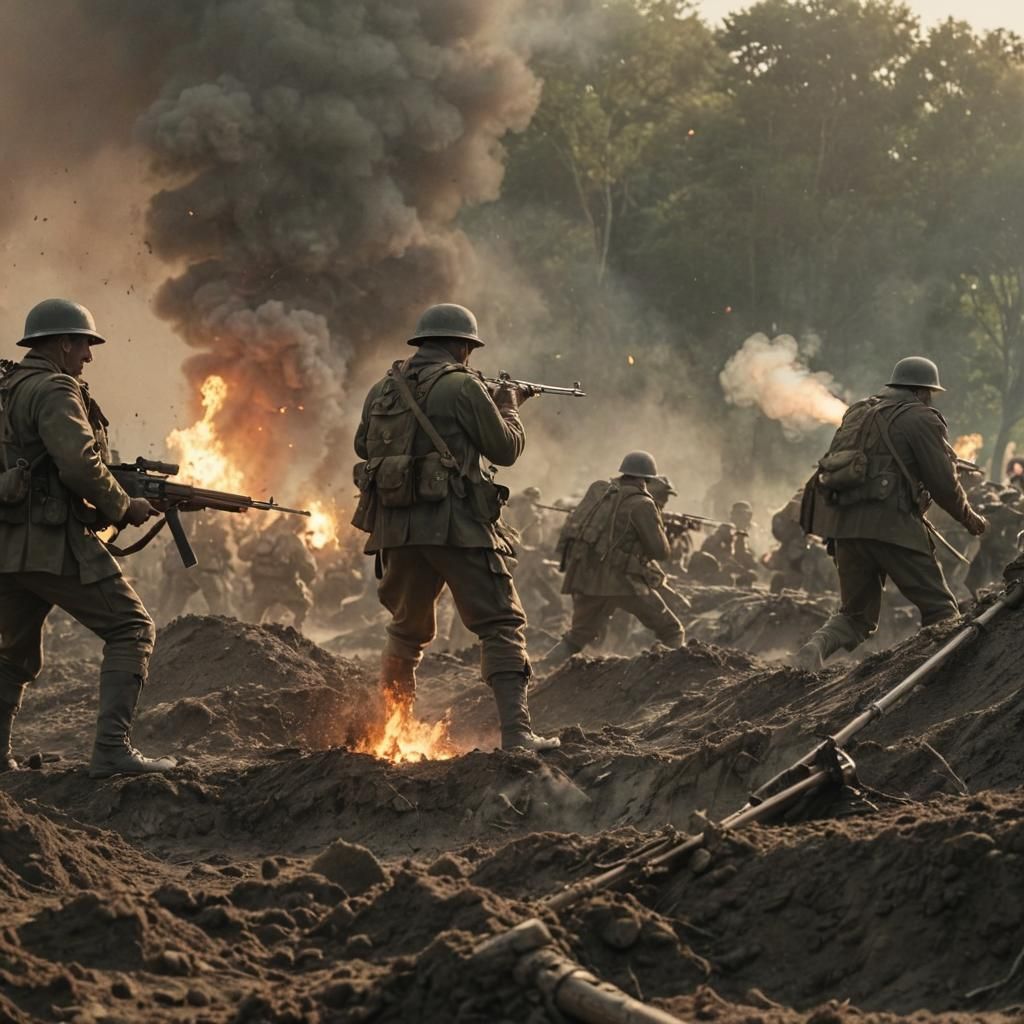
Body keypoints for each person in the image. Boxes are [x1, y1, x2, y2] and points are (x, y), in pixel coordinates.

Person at [352, 303, 558, 752]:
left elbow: (361, 445)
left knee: (405, 632)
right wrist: (510, 407)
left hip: (397, 530)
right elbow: (504, 450)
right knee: (501, 623)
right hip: (457, 528)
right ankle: (519, 736)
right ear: (464, 346)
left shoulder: (382, 389)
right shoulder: (463, 387)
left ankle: (393, 735)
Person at [0, 299, 175, 777]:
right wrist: (124, 505)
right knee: (132, 629)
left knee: (10, 653)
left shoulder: (8, 387)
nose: (88, 357)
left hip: (9, 546)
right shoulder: (56, 388)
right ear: (62, 343)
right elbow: (79, 464)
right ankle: (112, 751)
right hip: (52, 542)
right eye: (84, 346)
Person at [795, 356, 987, 670]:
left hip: (844, 528)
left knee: (855, 617)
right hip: (892, 527)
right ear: (924, 392)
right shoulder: (922, 418)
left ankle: (815, 648)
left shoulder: (857, 411)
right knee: (940, 609)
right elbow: (943, 484)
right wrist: (970, 518)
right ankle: (949, 676)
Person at [541, 451, 685, 667]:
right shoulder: (643, 504)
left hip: (588, 577)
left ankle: (538, 670)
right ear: (646, 478)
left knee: (577, 636)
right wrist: (662, 526)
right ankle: (676, 674)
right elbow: (660, 551)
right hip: (624, 583)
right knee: (671, 630)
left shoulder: (602, 494)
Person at [238, 516, 317, 630]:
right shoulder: (293, 540)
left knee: (250, 620)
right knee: (301, 607)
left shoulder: (260, 537)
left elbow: (242, 554)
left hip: (260, 587)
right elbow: (309, 570)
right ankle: (296, 633)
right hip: (285, 587)